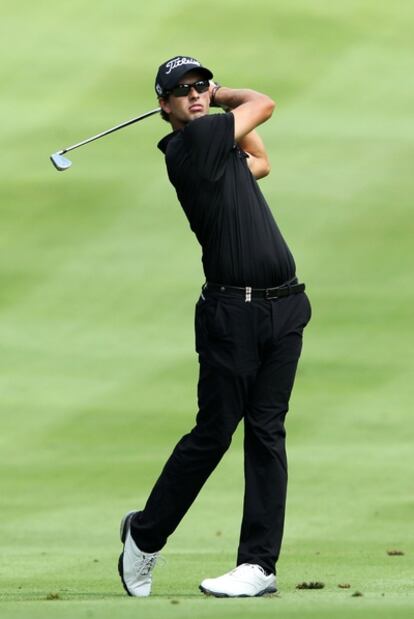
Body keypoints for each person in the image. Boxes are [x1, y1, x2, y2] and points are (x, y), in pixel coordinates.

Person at [118, 55, 311, 598]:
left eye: (201, 85)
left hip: (284, 306)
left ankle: (258, 566)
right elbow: (264, 105)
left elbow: (261, 162)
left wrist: (213, 99)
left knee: (267, 432)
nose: (197, 95)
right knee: (213, 434)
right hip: (232, 315)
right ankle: (145, 534)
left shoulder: (217, 149)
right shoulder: (191, 146)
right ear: (165, 106)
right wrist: (225, 94)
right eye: (183, 91)